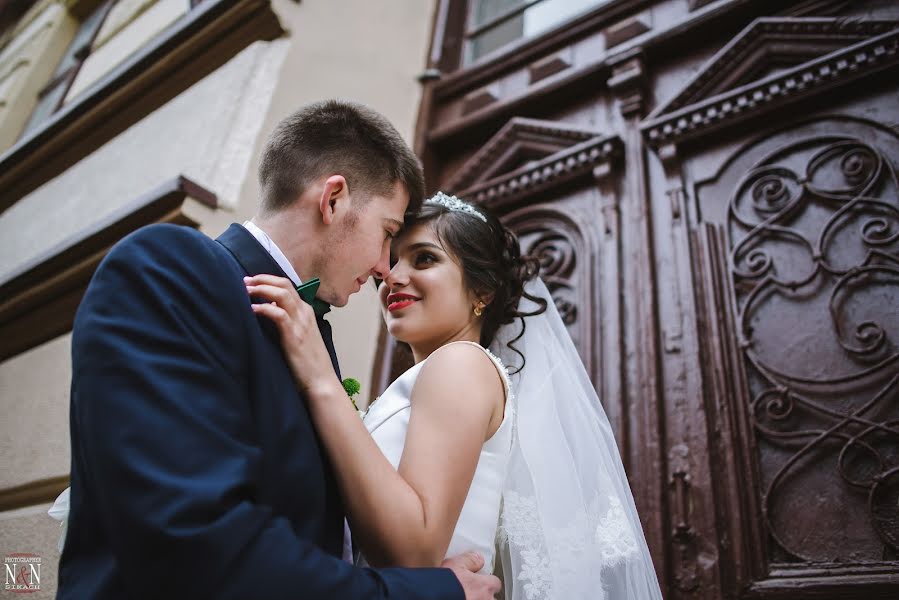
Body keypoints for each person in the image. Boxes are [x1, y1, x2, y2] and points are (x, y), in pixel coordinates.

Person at [55, 101, 499, 599]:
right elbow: (199, 544)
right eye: (388, 235)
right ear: (333, 200)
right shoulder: (170, 270)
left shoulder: (307, 332)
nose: (383, 267)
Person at [247, 193, 665, 599]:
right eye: (391, 261)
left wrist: (320, 378)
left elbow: (412, 553)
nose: (392, 276)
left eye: (425, 259)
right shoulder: (435, 377)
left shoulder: (460, 364)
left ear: (482, 292)